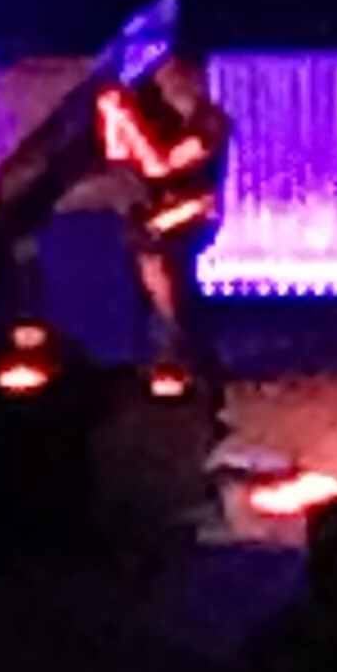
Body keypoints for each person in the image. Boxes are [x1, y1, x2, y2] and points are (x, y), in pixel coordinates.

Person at [97, 45, 231, 409]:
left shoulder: (209, 124)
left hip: (191, 212)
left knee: (160, 261)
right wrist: (114, 117)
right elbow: (117, 154)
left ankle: (178, 350)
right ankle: (159, 352)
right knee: (148, 267)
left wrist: (126, 119)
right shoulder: (157, 117)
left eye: (174, 78)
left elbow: (161, 166)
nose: (169, 86)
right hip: (148, 214)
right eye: (162, 79)